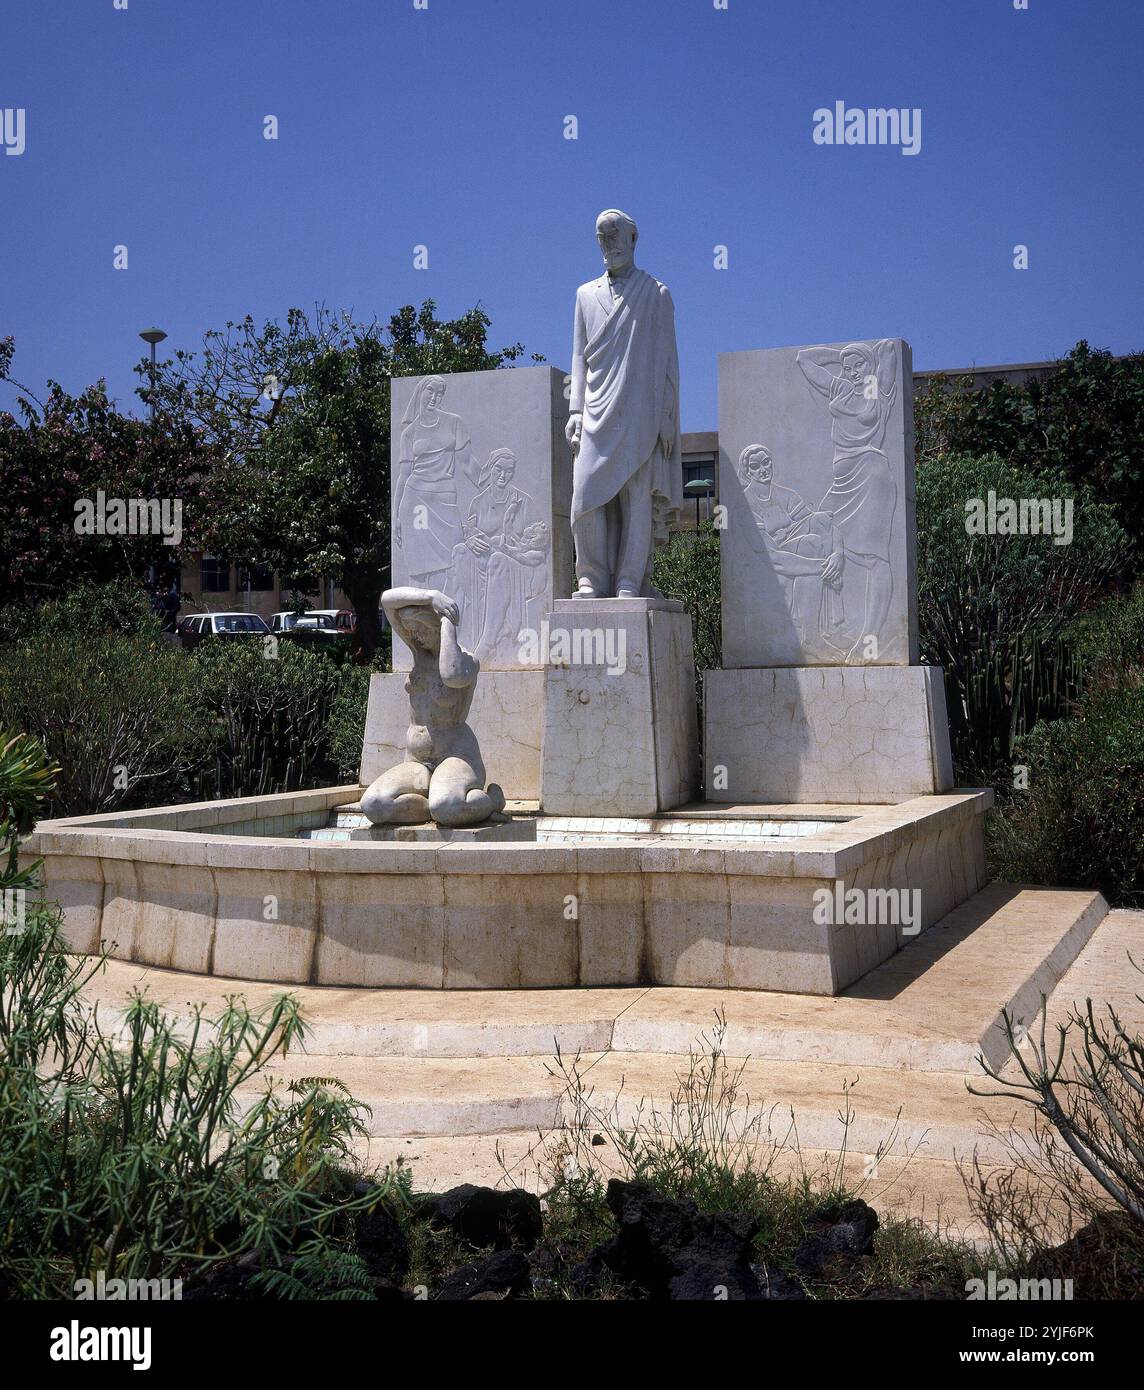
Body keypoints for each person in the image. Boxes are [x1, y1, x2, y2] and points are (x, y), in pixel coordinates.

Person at [566, 209, 682, 599]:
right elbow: (579, 357)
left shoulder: (656, 294)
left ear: (633, 239)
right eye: (602, 237)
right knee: (584, 493)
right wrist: (575, 410)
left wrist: (667, 416)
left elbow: (669, 362)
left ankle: (630, 580)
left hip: (640, 412)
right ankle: (591, 578)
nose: (610, 243)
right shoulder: (584, 295)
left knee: (635, 496)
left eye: (616, 235)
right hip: (595, 409)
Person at [360, 587, 505, 828]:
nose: (413, 637)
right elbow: (387, 600)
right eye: (410, 632)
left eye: (419, 630)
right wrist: (430, 596)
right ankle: (438, 803)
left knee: (447, 808)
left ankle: (490, 801)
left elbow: (450, 676)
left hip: (456, 755)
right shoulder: (420, 656)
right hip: (417, 761)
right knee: (374, 804)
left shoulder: (466, 661)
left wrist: (448, 622)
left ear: (437, 627)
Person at [392, 376, 477, 590]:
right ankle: (419, 618)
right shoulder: (409, 433)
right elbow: (403, 476)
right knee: (420, 569)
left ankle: (448, 617)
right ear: (420, 392)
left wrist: (488, 482)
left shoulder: (454, 422)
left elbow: (468, 464)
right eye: (431, 391)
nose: (435, 397)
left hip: (445, 500)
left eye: (440, 394)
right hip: (415, 503)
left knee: (453, 560)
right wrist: (396, 517)